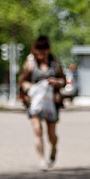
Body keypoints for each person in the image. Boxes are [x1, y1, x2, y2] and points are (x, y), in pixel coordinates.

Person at [18, 35, 65, 170]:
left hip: (51, 103)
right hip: (35, 103)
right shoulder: (30, 64)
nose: (41, 55)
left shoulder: (55, 65)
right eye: (38, 52)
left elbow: (63, 80)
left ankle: (54, 149)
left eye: (43, 53)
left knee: (51, 134)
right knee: (38, 130)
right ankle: (42, 160)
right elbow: (21, 81)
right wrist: (32, 88)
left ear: (48, 50)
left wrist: (56, 82)